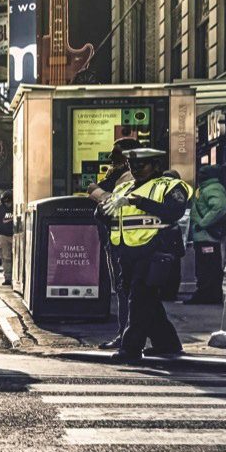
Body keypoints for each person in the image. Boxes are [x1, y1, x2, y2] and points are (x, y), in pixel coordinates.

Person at [100, 148, 192, 363]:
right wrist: (105, 210)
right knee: (145, 299)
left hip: (155, 250)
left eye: (143, 165)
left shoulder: (170, 186)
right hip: (126, 251)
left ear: (156, 166)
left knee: (139, 298)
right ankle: (166, 343)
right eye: (133, 166)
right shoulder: (123, 188)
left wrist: (137, 202)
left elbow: (173, 211)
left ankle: (130, 348)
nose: (137, 170)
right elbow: (104, 215)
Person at [90, 138, 143, 350]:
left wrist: (96, 192)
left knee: (125, 290)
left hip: (126, 241)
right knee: (127, 290)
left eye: (117, 154)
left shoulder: (129, 177)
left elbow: (113, 204)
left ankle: (126, 336)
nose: (111, 158)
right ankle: (130, 335)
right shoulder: (119, 175)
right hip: (118, 239)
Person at [189, 165, 226, 305]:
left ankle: (207, 294)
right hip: (204, 237)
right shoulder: (204, 188)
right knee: (205, 266)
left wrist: (203, 223)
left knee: (208, 266)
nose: (199, 174)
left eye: (203, 173)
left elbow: (221, 207)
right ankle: (207, 293)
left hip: (208, 237)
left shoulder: (212, 188)